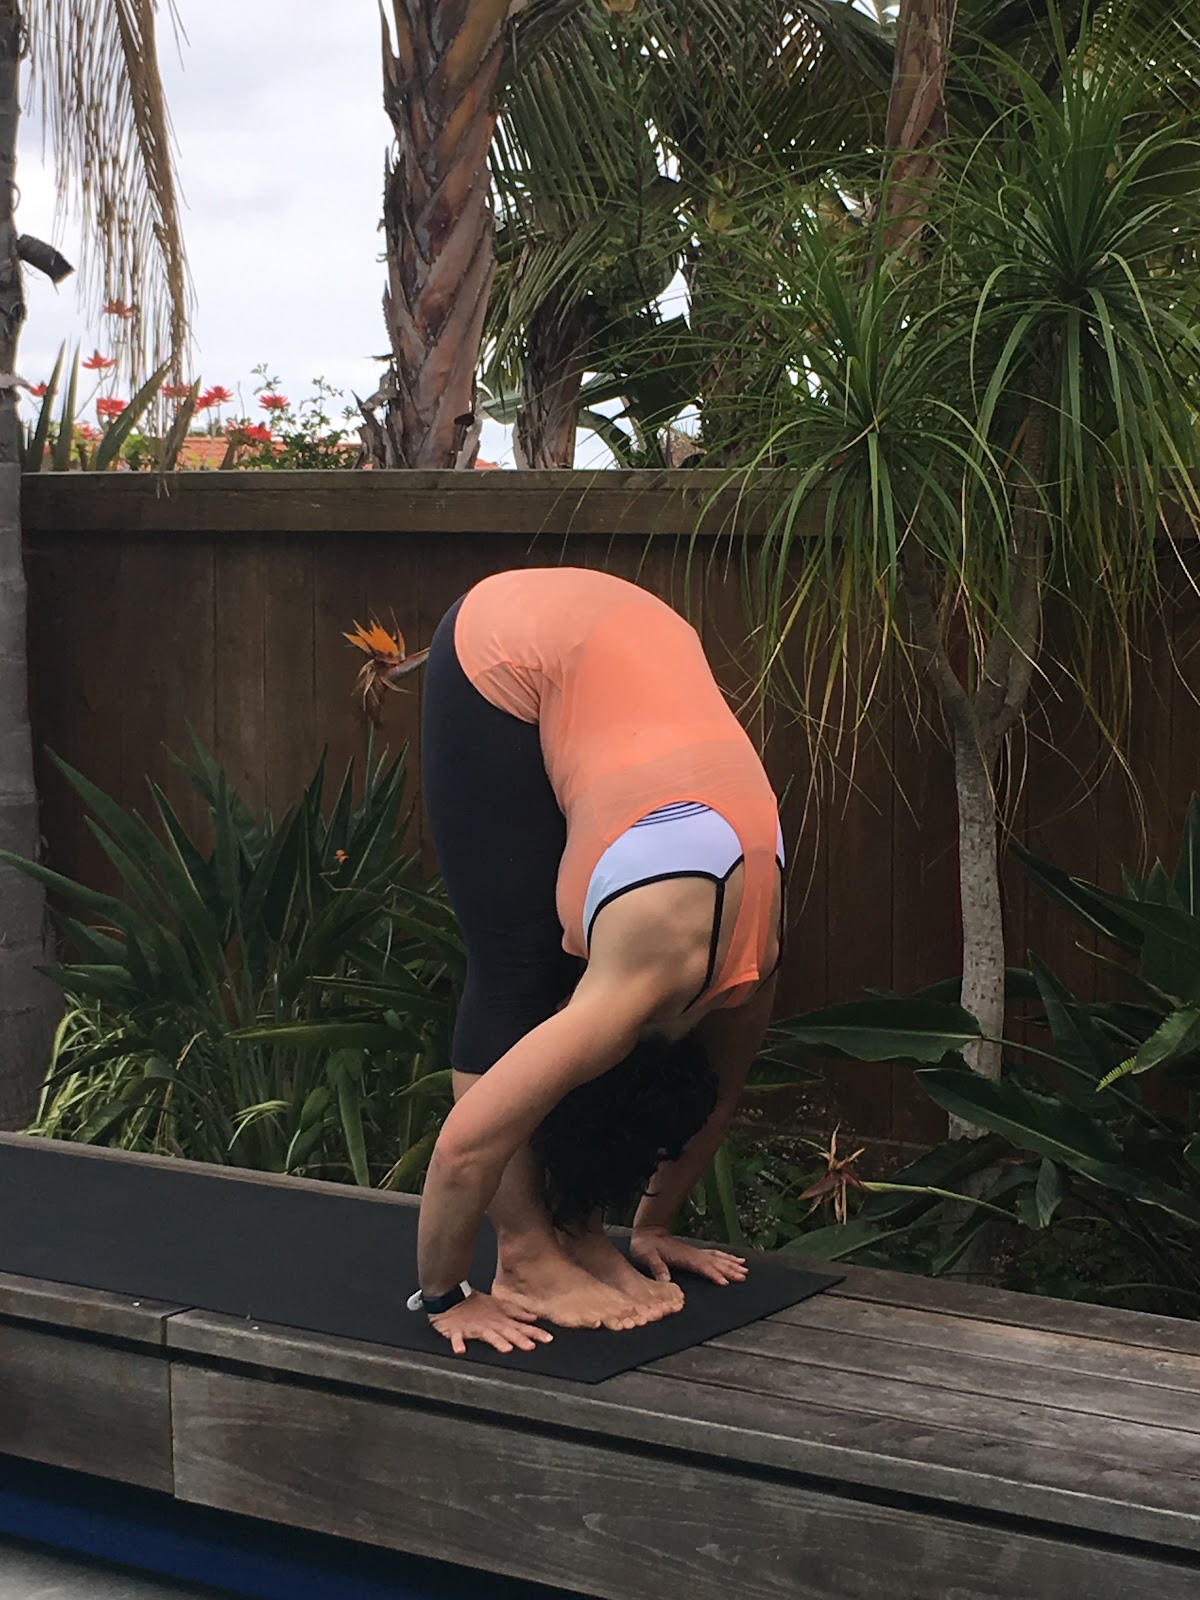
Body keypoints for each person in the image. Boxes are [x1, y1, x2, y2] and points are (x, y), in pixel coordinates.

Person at [403, 567, 784, 1356]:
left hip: (637, 629)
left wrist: (651, 1229)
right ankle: (527, 1256)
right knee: (515, 968)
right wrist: (445, 1297)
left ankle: (577, 1233)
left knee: (553, 975)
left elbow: (712, 1104)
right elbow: (463, 1149)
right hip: (503, 645)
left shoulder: (749, 976)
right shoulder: (625, 1005)